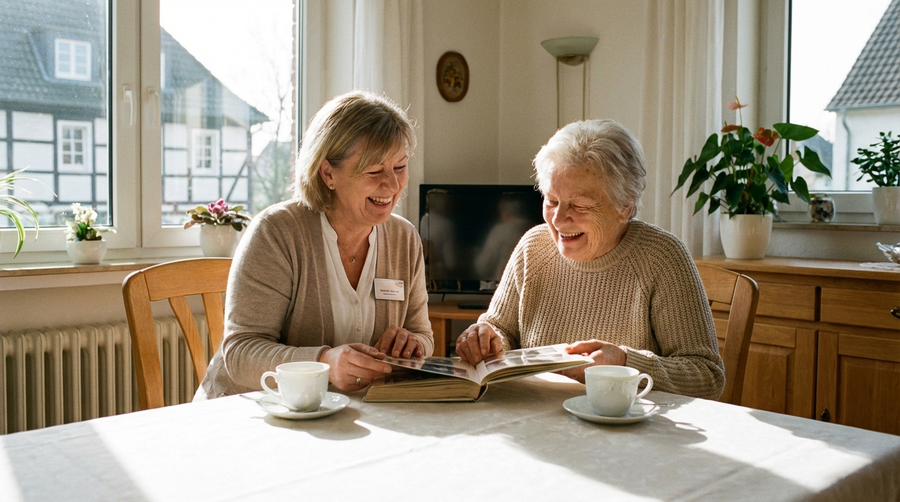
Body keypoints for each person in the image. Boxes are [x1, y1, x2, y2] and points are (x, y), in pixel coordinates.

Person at [454, 119, 725, 399]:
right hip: (535, 424)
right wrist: (487, 339)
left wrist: (625, 362)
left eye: (580, 205)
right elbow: (500, 329)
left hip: (628, 434)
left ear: (625, 206)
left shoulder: (661, 257)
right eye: (552, 200)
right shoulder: (532, 247)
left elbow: (707, 376)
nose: (558, 220)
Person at [195, 90, 433, 399]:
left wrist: (412, 345)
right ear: (328, 173)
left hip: (345, 415)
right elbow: (241, 353)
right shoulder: (276, 232)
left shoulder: (404, 238)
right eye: (374, 170)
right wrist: (323, 363)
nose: (392, 184)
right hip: (252, 414)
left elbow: (423, 334)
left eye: (399, 167)